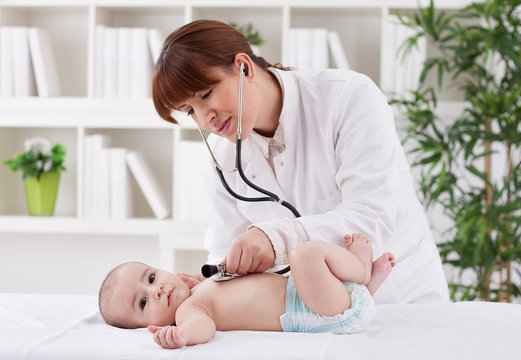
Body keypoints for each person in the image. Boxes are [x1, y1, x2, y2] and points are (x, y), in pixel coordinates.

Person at [152, 20, 449, 303]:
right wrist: (210, 284)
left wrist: (277, 239)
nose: (206, 119)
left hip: (401, 301)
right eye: (189, 111)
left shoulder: (348, 98)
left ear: (244, 67)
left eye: (206, 94)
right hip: (319, 315)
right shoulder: (221, 157)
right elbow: (224, 252)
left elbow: (372, 217)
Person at [99, 234, 394, 348]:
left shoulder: (199, 290)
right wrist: (183, 335)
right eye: (143, 301)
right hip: (313, 310)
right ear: (147, 325)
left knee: (307, 267)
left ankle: (363, 289)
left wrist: (199, 282)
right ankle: (359, 267)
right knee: (303, 255)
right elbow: (204, 327)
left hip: (319, 298)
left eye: (151, 278)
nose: (158, 289)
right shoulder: (190, 312)